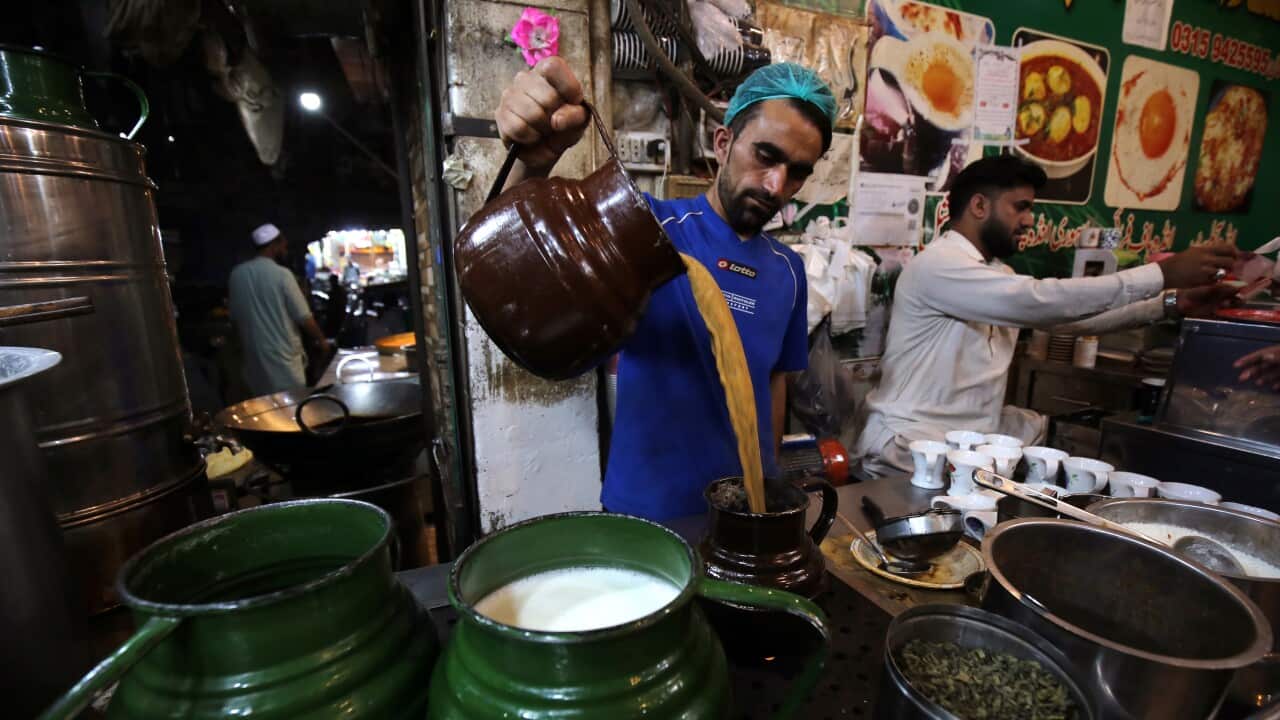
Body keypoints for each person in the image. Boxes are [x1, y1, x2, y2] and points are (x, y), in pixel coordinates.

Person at [495, 59, 830, 519]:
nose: (776, 185)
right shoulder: (648, 226)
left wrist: (767, 486)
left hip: (738, 517)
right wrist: (532, 164)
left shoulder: (788, 271)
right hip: (644, 514)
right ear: (723, 142)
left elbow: (773, 382)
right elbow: (520, 267)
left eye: (797, 172)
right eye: (766, 156)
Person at [856, 155, 1240, 476]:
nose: (1029, 220)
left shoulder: (996, 274)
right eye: (1020, 207)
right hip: (909, 450)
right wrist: (1161, 274)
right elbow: (1038, 300)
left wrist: (1170, 305)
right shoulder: (937, 266)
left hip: (962, 451)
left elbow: (1067, 321)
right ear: (978, 206)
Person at [228, 223, 332, 396]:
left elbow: (235, 319)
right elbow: (304, 316)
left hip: (254, 362)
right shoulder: (282, 274)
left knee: (264, 411)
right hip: (283, 362)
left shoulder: (237, 274)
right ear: (274, 245)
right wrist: (322, 341)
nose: (285, 249)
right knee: (291, 411)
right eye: (283, 245)